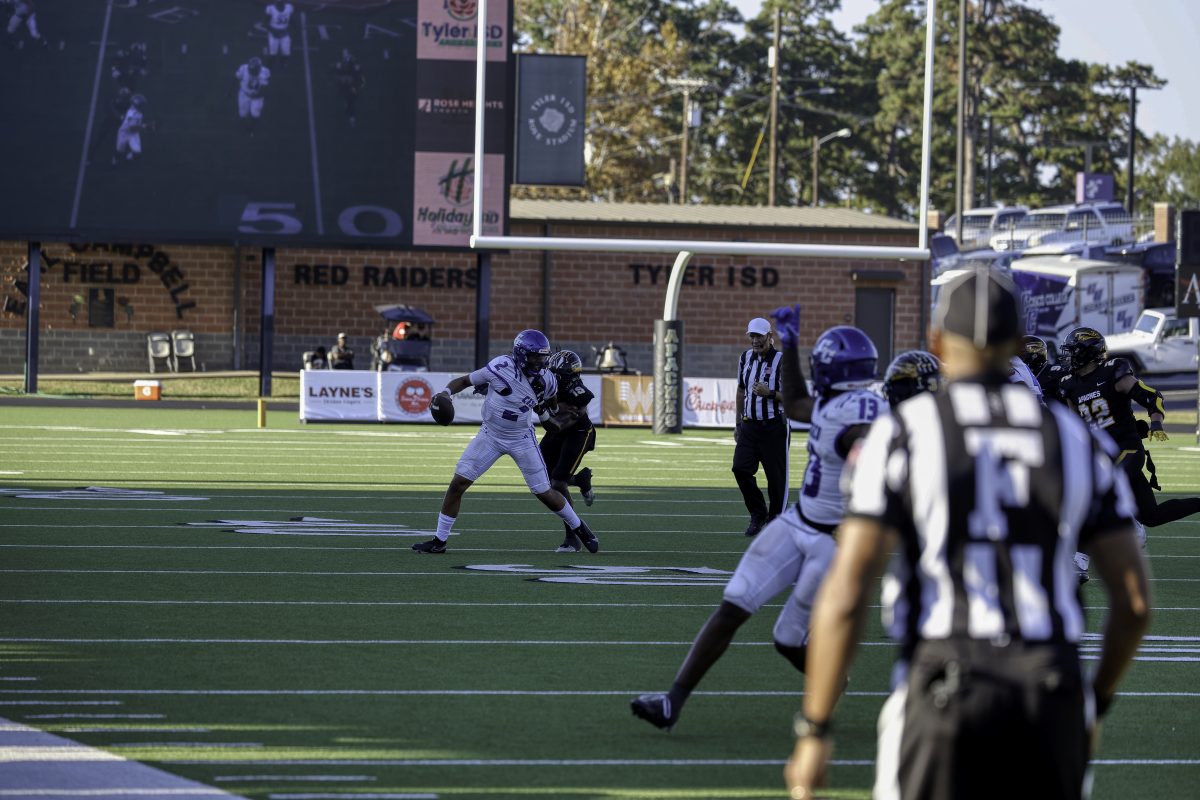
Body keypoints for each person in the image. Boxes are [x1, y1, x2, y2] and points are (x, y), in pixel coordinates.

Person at [785, 269, 1150, 800]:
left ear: (937, 342)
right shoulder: (1076, 441)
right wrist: (1096, 701)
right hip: (1050, 691)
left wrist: (815, 728)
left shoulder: (904, 434)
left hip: (944, 685)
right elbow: (1134, 604)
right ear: (1017, 345)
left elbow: (847, 592)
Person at [630, 312, 881, 732]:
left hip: (831, 541)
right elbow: (798, 404)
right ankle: (672, 702)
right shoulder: (835, 402)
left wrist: (868, 458)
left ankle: (829, 690)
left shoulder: (861, 414)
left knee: (787, 638)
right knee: (734, 603)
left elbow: (861, 438)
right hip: (798, 522)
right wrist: (793, 345)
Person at [411, 330, 598, 555]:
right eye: (534, 356)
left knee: (544, 491)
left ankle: (580, 528)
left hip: (521, 438)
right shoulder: (501, 366)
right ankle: (439, 541)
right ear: (521, 354)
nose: (539, 362)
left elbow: (551, 411)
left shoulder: (547, 379)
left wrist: (543, 410)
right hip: (490, 435)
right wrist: (445, 393)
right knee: (458, 483)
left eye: (542, 357)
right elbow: (464, 380)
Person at [1057, 326, 1200, 534]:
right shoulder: (1069, 385)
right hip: (1102, 455)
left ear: (1086, 352)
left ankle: (1101, 542)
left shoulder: (1112, 372)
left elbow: (1151, 397)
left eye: (1072, 351)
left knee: (1102, 488)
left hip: (1127, 449)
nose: (1068, 357)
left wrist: (1156, 423)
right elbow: (1075, 425)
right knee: (1151, 516)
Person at [733, 317, 788, 537]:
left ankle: (776, 524)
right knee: (740, 468)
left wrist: (770, 393)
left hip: (773, 427)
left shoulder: (782, 361)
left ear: (769, 336)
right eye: (752, 336)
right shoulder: (745, 358)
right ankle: (758, 513)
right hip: (749, 427)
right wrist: (738, 423)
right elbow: (740, 391)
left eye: (759, 336)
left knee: (776, 481)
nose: (755, 340)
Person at [538, 350, 598, 552]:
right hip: (557, 430)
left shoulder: (577, 391)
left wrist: (552, 410)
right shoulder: (544, 381)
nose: (550, 376)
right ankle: (580, 480)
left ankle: (572, 537)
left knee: (557, 483)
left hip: (577, 432)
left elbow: (565, 420)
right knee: (540, 477)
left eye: (555, 373)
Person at [235, 57, 271, 135]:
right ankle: (244, 127)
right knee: (242, 114)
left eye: (255, 71)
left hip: (257, 97)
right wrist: (229, 92)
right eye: (252, 70)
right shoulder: (243, 69)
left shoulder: (265, 72)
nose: (253, 73)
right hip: (244, 94)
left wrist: (258, 94)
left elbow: (266, 87)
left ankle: (252, 129)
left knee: (255, 114)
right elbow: (236, 79)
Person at [333, 48, 366, 127]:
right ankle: (350, 115)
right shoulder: (343, 62)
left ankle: (352, 117)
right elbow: (339, 72)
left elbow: (357, 72)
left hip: (351, 85)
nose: (344, 55)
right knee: (348, 100)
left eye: (345, 53)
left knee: (350, 101)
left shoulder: (352, 62)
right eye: (343, 53)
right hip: (346, 85)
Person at [113, 94, 148, 166]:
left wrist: (142, 126)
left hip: (133, 134)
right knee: (120, 151)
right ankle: (115, 159)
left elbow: (134, 126)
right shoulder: (133, 114)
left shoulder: (135, 112)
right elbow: (132, 128)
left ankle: (127, 158)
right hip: (124, 133)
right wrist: (144, 126)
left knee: (137, 154)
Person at [265, 2, 294, 67]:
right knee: (273, 52)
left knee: (286, 51)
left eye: (281, 3)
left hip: (284, 32)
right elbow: (265, 22)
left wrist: (290, 29)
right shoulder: (271, 9)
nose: (279, 5)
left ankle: (283, 62)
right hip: (274, 32)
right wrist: (273, 31)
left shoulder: (289, 8)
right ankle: (270, 64)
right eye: (278, 3)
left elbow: (291, 19)